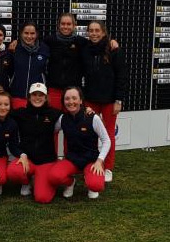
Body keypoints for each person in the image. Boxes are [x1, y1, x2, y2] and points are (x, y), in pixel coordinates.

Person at [80, 21, 128, 183]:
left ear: (103, 32)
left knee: (108, 135)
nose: (94, 33)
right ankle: (92, 163)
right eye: (91, 30)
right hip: (90, 99)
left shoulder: (114, 49)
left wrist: (118, 100)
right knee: (90, 133)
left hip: (109, 100)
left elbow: (121, 76)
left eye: (97, 30)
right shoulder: (85, 48)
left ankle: (108, 168)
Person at [48, 86, 110, 199]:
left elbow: (106, 140)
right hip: (72, 160)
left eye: (74, 98)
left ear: (81, 100)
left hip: (91, 160)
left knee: (96, 186)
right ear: (63, 101)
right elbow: (50, 130)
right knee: (54, 176)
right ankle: (71, 182)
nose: (71, 102)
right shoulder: (62, 119)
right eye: (67, 99)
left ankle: (90, 181)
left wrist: (99, 161)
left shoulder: (92, 117)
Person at [4, 83, 62, 203]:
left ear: (46, 97)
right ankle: (26, 181)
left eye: (41, 95)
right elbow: (2, 113)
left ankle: (42, 179)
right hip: (27, 159)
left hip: (46, 161)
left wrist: (86, 110)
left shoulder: (54, 113)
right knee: (13, 171)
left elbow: (73, 115)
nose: (37, 98)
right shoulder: (20, 113)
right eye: (34, 95)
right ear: (29, 97)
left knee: (42, 198)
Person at [9, 22, 49, 109]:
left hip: (37, 96)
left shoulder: (44, 49)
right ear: (21, 34)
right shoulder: (15, 48)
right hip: (17, 95)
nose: (29, 36)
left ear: (37, 34)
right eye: (26, 33)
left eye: (32, 33)